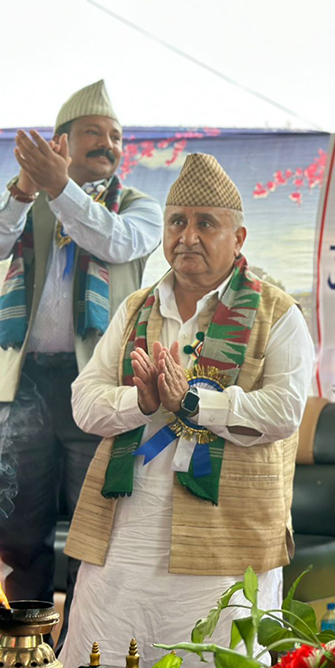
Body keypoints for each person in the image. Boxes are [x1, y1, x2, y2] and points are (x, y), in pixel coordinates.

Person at [57, 153, 314, 668]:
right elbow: (85, 402)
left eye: (206, 223)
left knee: (217, 653)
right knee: (104, 650)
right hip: (126, 534)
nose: (187, 235)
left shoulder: (278, 313)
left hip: (227, 541)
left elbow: (284, 412)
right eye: (178, 221)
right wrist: (142, 401)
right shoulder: (136, 307)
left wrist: (193, 402)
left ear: (238, 238)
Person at [0, 80, 162, 632]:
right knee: (19, 528)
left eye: (116, 135)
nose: (109, 144)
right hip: (25, 387)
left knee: (94, 526)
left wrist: (59, 188)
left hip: (98, 388)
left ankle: (81, 648)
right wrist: (25, 193)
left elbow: (114, 242)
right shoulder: (26, 199)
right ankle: (23, 644)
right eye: (94, 132)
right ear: (60, 141)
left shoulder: (139, 208)